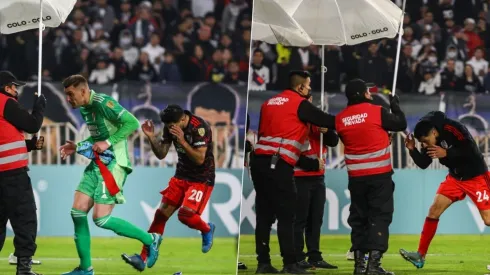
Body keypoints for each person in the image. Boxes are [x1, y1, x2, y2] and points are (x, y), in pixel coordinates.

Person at [58, 75, 162, 275]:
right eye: (66, 95)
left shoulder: (103, 103)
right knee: (77, 211)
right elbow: (98, 136)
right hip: (97, 163)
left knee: (101, 219)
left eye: (71, 95)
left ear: (83, 91)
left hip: (114, 164)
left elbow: (131, 122)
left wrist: (108, 142)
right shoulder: (85, 108)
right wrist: (78, 146)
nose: (68, 99)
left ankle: (151, 239)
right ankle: (85, 269)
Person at [252, 70, 336, 274]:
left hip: (258, 161)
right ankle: (290, 264)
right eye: (308, 86)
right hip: (278, 164)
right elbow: (327, 120)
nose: (309, 89)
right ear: (300, 88)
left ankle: (263, 263)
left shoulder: (268, 103)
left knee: (264, 216)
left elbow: (267, 136)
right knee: (287, 215)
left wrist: (308, 163)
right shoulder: (299, 103)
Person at [121, 104, 216, 272]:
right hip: (180, 176)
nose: (169, 127)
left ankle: (207, 229)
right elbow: (161, 154)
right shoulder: (170, 126)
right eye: (166, 124)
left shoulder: (200, 127)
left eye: (171, 124)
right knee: (160, 216)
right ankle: (142, 258)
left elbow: (200, 159)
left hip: (201, 179)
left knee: (185, 215)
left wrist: (182, 141)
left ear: (182, 119)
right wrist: (151, 137)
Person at [400, 111, 490, 269]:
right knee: (434, 210)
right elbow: (423, 163)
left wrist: (447, 152)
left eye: (426, 141)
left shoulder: (454, 128)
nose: (426, 146)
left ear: (434, 132)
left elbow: (472, 152)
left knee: (488, 220)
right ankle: (420, 256)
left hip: (476, 177)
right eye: (423, 143)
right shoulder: (428, 138)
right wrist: (412, 149)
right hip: (455, 179)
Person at [334, 79, 407, 275]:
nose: (370, 93)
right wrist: (395, 107)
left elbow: (356, 137)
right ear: (363, 94)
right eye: (367, 90)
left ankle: (359, 266)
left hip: (356, 177)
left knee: (359, 219)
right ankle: (374, 266)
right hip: (379, 175)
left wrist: (380, 136)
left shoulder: (340, 119)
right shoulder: (377, 111)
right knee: (379, 217)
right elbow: (400, 124)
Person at [0, 71, 46, 275]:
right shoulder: (5, 102)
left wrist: (29, 145)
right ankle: (24, 268)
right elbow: (31, 124)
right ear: (6, 87)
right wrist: (39, 107)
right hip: (12, 176)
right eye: (14, 86)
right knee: (25, 218)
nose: (16, 90)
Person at [294, 96, 339, 270]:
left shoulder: (321, 120)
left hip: (318, 176)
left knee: (315, 219)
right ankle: (298, 257)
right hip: (299, 176)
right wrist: (310, 163)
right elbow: (290, 150)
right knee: (300, 219)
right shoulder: (296, 122)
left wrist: (326, 131)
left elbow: (334, 141)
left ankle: (314, 255)